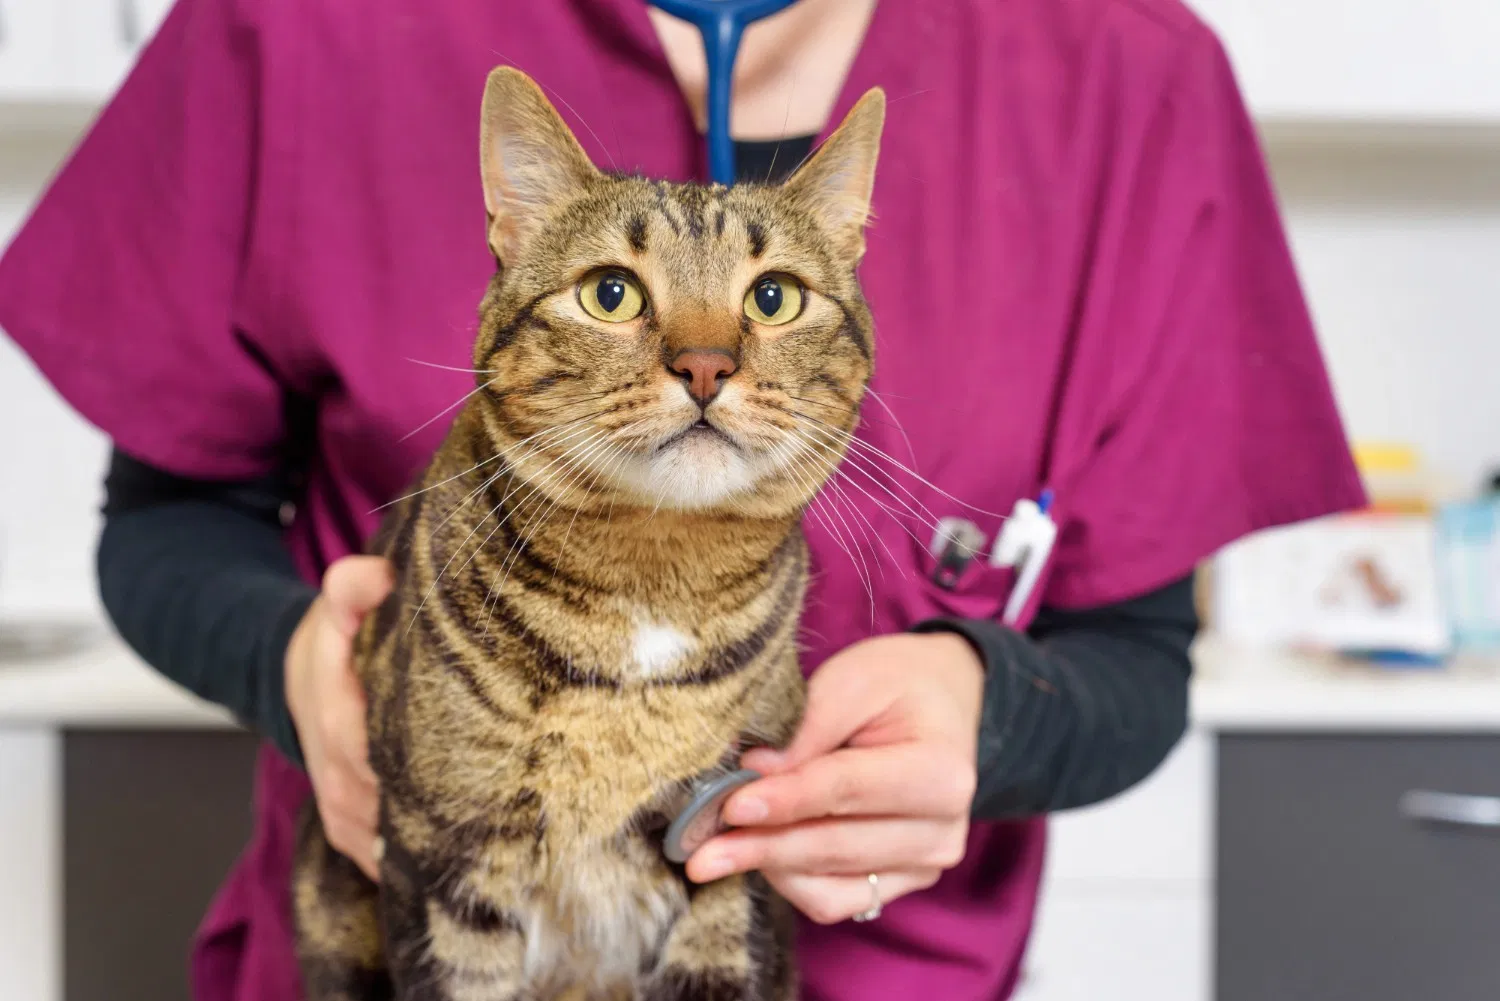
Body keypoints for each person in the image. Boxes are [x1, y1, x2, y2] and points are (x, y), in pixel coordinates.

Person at [0, 0, 1365, 998]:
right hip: (412, 942)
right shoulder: (292, 28)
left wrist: (989, 709)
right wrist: (295, 659)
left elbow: (1135, 657)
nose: (705, 361)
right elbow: (170, 522)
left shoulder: (1132, 80)